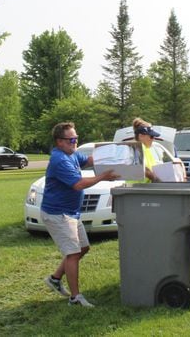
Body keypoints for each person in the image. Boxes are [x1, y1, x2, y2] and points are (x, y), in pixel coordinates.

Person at [42, 122, 119, 307]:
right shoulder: (59, 159)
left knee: (83, 248)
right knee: (73, 253)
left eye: (76, 139)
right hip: (58, 214)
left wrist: (116, 153)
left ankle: (54, 279)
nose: (75, 142)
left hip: (70, 213)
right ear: (59, 141)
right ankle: (75, 298)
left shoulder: (72, 154)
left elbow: (91, 161)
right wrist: (103, 177)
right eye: (71, 140)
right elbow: (78, 184)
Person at [132, 117, 162, 183]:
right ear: (141, 136)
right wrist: (155, 179)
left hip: (142, 188)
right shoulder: (136, 148)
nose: (153, 139)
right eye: (151, 136)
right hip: (135, 189)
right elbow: (141, 168)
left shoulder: (146, 149)